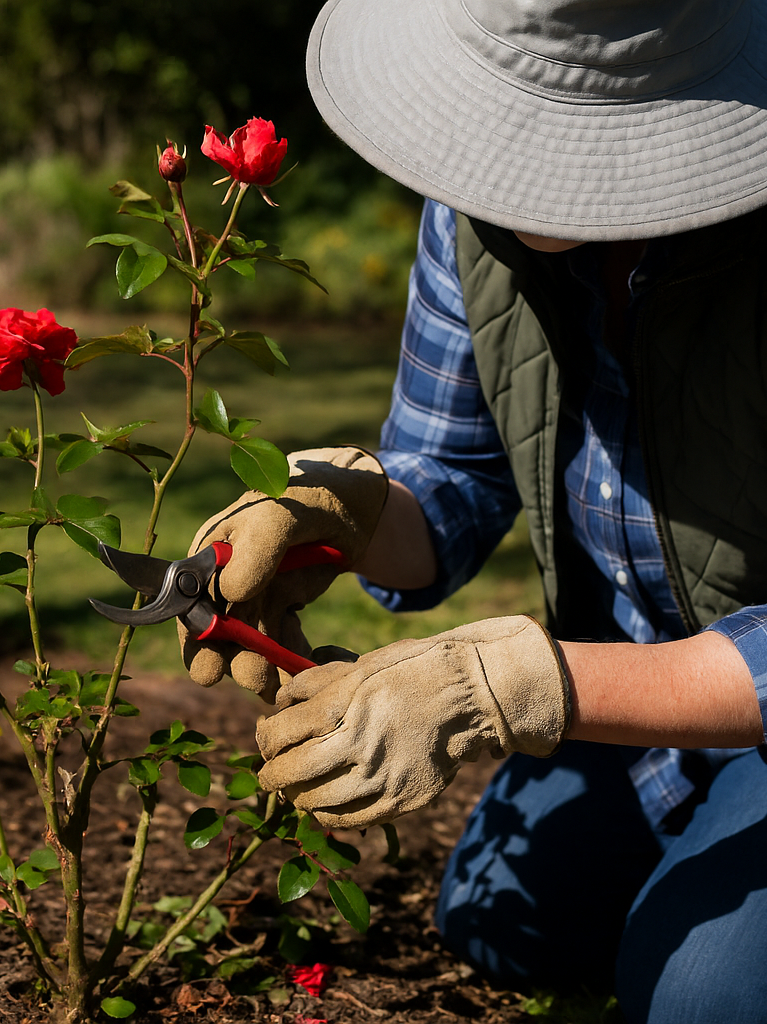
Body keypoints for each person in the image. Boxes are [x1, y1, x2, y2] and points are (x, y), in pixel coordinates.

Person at [178, 0, 767, 1020]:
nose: (493, 165)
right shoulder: (473, 218)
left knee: (703, 998)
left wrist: (512, 680)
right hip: (646, 703)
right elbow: (449, 474)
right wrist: (334, 504)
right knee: (503, 913)